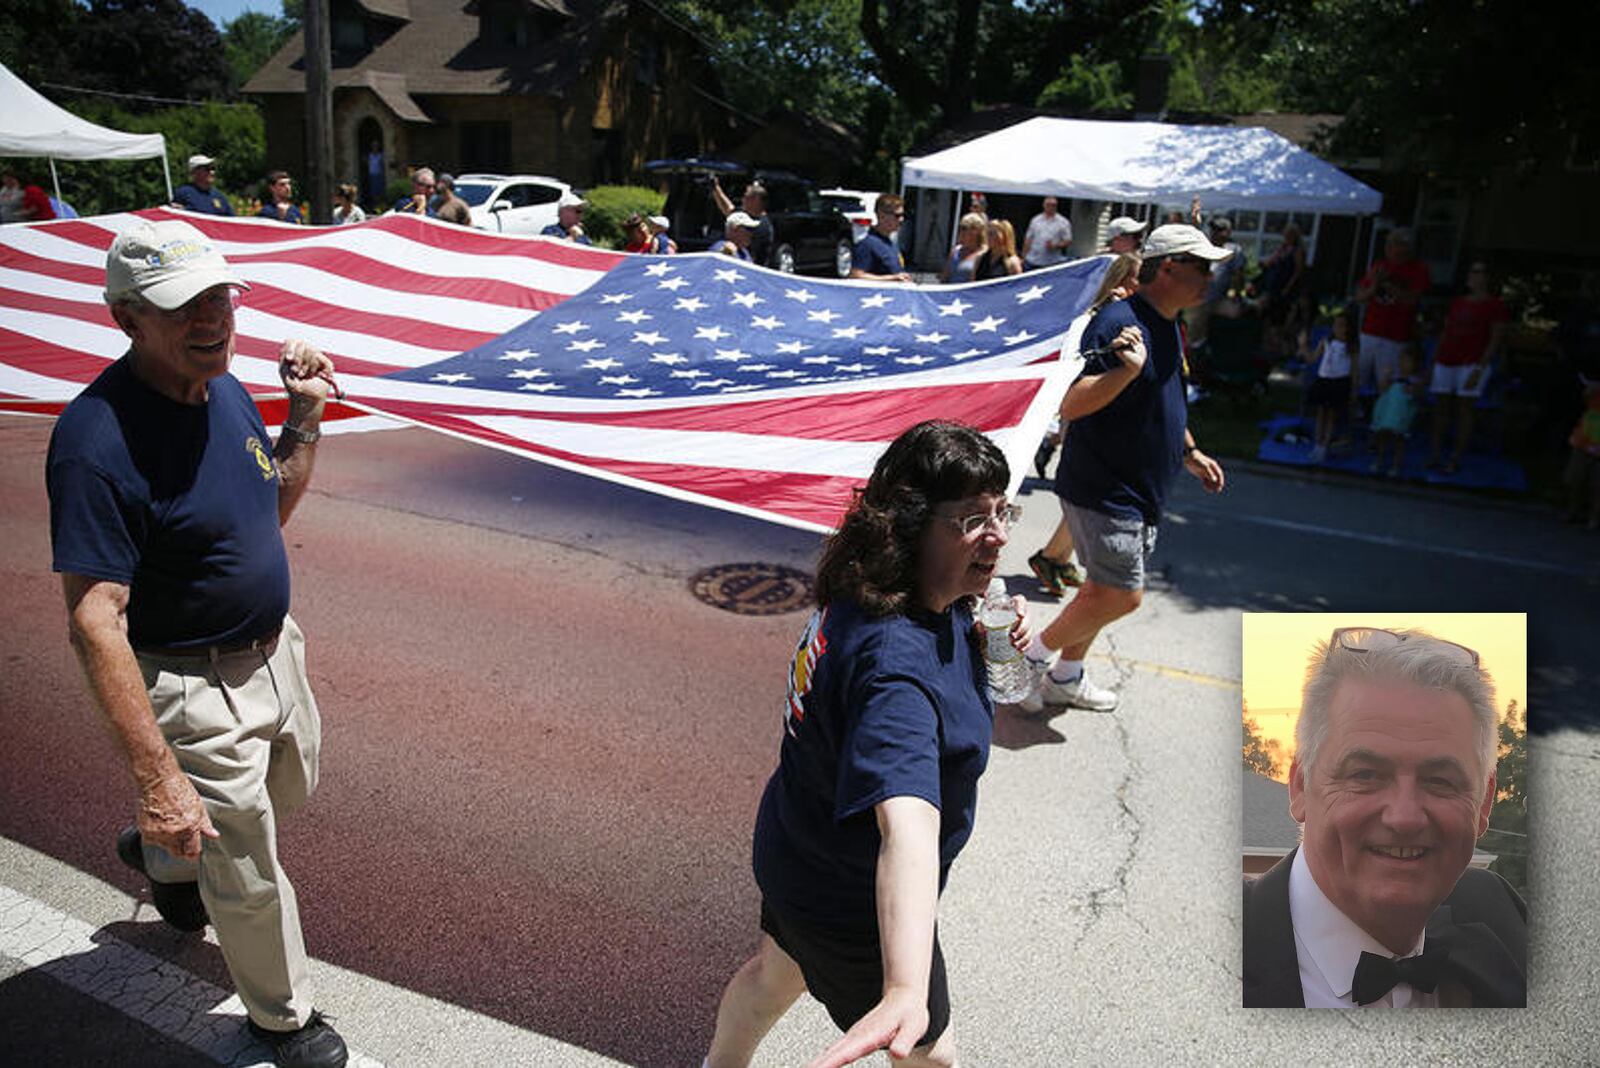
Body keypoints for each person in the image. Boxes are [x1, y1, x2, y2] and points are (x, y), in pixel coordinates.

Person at [45, 218, 349, 1065]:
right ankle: (283, 1020)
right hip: (189, 683)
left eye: (220, 297)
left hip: (276, 657)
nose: (212, 318)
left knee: (288, 790)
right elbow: (95, 617)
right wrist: (157, 778)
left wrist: (304, 416)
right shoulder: (96, 442)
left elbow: (264, 507)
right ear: (128, 318)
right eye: (185, 306)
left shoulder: (224, 390)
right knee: (247, 863)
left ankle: (168, 859)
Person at [703, 420, 1031, 1068]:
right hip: (850, 895)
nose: (997, 535)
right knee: (931, 1055)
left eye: (1003, 511)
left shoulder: (883, 586)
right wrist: (906, 987)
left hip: (798, 845)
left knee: (774, 977)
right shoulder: (895, 671)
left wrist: (988, 636)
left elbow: (993, 682)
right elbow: (906, 822)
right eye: (972, 520)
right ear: (911, 525)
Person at [1242, 627, 1527, 1008]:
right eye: (1365, 775)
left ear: (1484, 802)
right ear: (1300, 786)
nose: (1404, 817)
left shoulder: (1500, 918)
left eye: (1440, 781)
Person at [1018, 225, 1229, 713]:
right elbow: (1069, 404)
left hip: (1139, 490)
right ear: (1169, 267)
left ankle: (1066, 677)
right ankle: (1028, 659)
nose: (1210, 278)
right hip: (1105, 488)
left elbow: (1164, 400)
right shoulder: (1118, 322)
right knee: (1120, 595)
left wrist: (1191, 452)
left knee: (1098, 591)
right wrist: (1124, 371)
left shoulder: (1168, 324)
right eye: (1202, 267)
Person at [1028, 252, 1143, 596]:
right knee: (1091, 496)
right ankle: (1052, 557)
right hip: (1090, 419)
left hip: (1112, 421)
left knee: (1090, 497)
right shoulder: (1104, 318)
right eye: (1139, 277)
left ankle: (1056, 556)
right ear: (1123, 281)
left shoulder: (1133, 316)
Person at [1426, 260, 1508, 475]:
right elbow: (1446, 331)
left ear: (1487, 277)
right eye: (1471, 271)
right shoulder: (1458, 302)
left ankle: (1455, 458)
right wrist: (1434, 360)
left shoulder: (1495, 305)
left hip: (1471, 362)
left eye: (1478, 272)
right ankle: (1435, 455)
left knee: (1465, 410)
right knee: (1440, 408)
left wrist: (1480, 368)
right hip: (1447, 359)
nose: (1472, 275)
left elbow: (1495, 340)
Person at [1354, 229, 1430, 393]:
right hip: (1370, 331)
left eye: (1394, 243)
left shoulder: (1418, 270)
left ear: (1406, 247)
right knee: (1356, 378)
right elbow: (1360, 297)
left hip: (1395, 337)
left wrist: (1387, 284)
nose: (1388, 247)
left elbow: (1412, 300)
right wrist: (1374, 286)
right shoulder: (1379, 266)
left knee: (1387, 383)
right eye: (1388, 243)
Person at [1305, 308, 1359, 464]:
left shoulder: (1351, 346)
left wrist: (1354, 390)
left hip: (1339, 382)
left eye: (1342, 325)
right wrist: (1303, 347)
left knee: (1331, 415)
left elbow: (1354, 370)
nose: (1338, 328)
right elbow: (1312, 358)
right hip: (1324, 380)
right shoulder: (1326, 341)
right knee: (1321, 413)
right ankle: (1317, 443)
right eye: (1336, 325)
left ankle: (1324, 445)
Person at [1370, 344, 1424, 478]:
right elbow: (1382, 389)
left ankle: (1396, 465)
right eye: (1401, 359)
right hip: (1387, 413)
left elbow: (1417, 396)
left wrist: (1412, 389)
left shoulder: (1416, 381)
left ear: (1415, 364)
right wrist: (1385, 376)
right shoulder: (1394, 377)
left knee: (1398, 440)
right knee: (1382, 437)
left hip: (1401, 416)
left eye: (1407, 361)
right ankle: (1379, 461)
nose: (1402, 363)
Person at [848, 193, 912, 282]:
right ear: (881, 215)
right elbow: (855, 275)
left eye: (903, 215)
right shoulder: (867, 245)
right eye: (897, 216)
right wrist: (891, 278)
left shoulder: (891, 243)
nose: (901, 219)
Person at [712, 176, 773, 266]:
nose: (742, 199)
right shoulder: (745, 215)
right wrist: (715, 187)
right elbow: (727, 208)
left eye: (746, 197)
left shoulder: (762, 226)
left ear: (756, 200)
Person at [1022, 195, 1073, 270]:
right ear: (1044, 205)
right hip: (1032, 261)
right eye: (1048, 205)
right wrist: (1023, 257)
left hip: (1051, 262)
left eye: (1053, 205)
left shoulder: (1063, 222)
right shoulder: (1035, 220)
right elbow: (1028, 239)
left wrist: (1055, 245)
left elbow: (1068, 241)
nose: (1051, 207)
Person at [941, 213, 986, 283]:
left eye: (965, 228)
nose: (962, 231)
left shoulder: (984, 253)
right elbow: (945, 277)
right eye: (961, 228)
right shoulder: (956, 250)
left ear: (977, 231)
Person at [363, 140, 385, 209]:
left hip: (379, 175)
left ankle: (380, 206)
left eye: (376, 146)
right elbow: (366, 163)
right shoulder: (370, 155)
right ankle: (375, 206)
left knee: (380, 191)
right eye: (373, 146)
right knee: (373, 192)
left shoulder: (380, 155)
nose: (375, 147)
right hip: (372, 175)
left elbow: (382, 164)